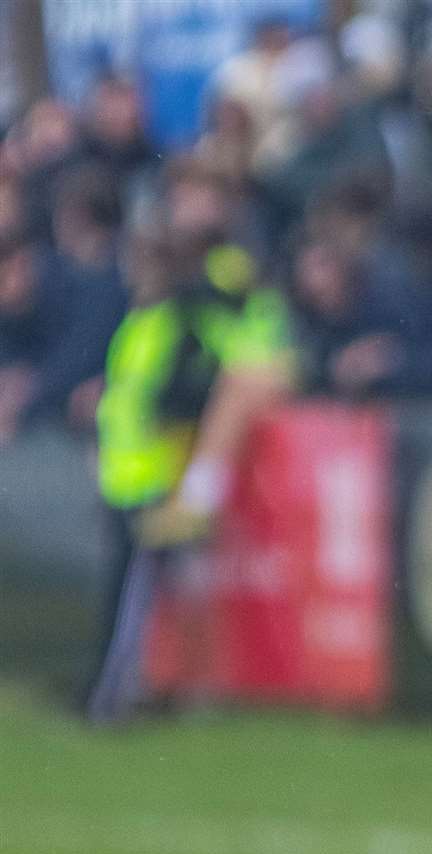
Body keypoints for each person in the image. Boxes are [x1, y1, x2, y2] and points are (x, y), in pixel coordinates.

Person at [86, 159, 294, 722]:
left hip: (168, 452)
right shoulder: (153, 296)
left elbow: (240, 335)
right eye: (185, 195)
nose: (193, 207)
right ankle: (140, 692)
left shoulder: (223, 275)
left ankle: (115, 697)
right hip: (137, 458)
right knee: (151, 586)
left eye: (205, 195)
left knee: (147, 581)